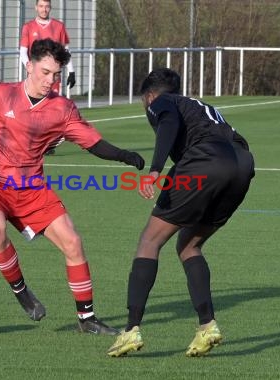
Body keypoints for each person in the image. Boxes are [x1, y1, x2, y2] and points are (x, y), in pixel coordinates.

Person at [0, 38, 145, 335]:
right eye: (45, 72)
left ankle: (87, 319)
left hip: (31, 187)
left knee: (73, 243)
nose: (50, 81)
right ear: (29, 66)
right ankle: (21, 292)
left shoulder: (62, 109)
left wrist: (124, 156)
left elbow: (93, 143)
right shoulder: (3, 94)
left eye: (56, 75)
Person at [107, 68, 255, 357]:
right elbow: (239, 142)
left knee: (149, 242)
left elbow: (169, 123)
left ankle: (131, 330)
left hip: (203, 161)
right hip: (241, 166)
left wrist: (153, 171)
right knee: (189, 245)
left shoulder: (162, 102)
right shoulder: (205, 108)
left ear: (149, 96)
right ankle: (207, 326)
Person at [20, 0, 76, 155]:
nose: (44, 9)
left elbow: (66, 50)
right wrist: (30, 67)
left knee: (51, 109)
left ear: (50, 7)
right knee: (31, 108)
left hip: (52, 77)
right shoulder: (28, 27)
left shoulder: (58, 26)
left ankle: (47, 143)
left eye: (47, 6)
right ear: (36, 7)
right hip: (34, 76)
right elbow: (23, 52)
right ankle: (28, 140)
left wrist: (71, 71)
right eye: (41, 6)